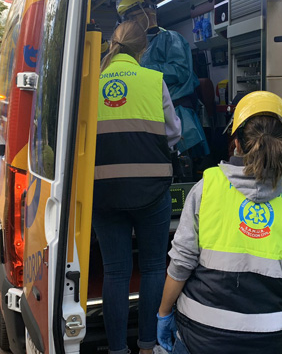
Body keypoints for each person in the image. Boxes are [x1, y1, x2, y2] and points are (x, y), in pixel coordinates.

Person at [156, 91, 282, 354]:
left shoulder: (207, 187)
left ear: (237, 144)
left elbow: (181, 264)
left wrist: (163, 314)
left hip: (201, 335)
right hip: (270, 339)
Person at [93, 20, 181, 354]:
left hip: (103, 193)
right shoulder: (153, 80)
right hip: (151, 191)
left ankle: (117, 349)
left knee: (115, 271)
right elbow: (173, 132)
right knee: (154, 267)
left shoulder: (91, 82)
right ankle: (147, 345)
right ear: (143, 48)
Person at [117, 0, 209, 160]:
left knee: (183, 172)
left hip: (180, 117)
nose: (130, 24)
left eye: (133, 17)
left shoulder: (170, 38)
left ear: (148, 13)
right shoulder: (142, 46)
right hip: (153, 116)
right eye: (127, 20)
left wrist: (141, 71)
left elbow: (180, 71)